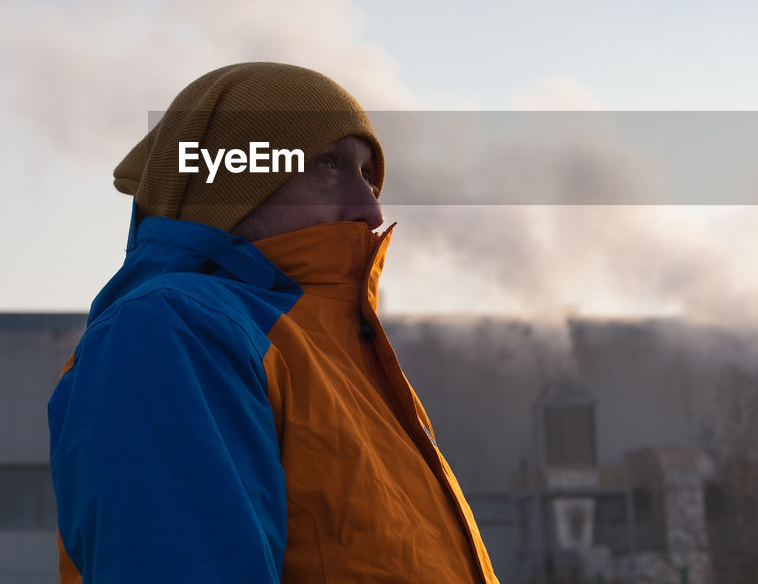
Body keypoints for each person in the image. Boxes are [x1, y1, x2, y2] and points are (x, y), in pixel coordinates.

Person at [48, 62, 498, 583]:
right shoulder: (176, 328)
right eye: (327, 163)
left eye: (369, 176)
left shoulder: (338, 355)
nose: (371, 210)